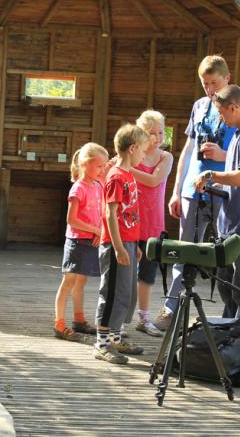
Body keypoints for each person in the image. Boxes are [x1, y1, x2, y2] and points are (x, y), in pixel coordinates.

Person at [154, 55, 240, 331]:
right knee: (183, 250)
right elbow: (189, 150)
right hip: (195, 187)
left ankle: (232, 323)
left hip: (226, 194)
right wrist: (177, 190)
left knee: (225, 260)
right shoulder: (200, 106)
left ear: (227, 79)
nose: (210, 89)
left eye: (214, 82)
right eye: (205, 84)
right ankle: (172, 310)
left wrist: (220, 155)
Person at [192, 84, 240, 340]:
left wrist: (210, 174)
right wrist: (219, 182)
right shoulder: (238, 133)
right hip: (231, 222)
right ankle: (228, 338)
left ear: (234, 107)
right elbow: (237, 174)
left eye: (223, 114)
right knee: (229, 285)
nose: (222, 121)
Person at [94, 124, 150, 364]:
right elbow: (110, 214)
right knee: (113, 293)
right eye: (143, 151)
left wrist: (133, 244)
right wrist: (117, 247)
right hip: (115, 245)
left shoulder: (129, 175)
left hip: (128, 242)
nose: (144, 156)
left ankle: (116, 338)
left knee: (126, 294)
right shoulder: (116, 177)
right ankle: (101, 344)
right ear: (133, 148)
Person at [54, 142, 110, 342]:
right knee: (68, 282)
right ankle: (59, 325)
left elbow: (101, 213)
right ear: (85, 164)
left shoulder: (97, 186)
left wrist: (98, 232)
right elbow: (72, 219)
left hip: (91, 241)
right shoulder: (78, 188)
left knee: (82, 281)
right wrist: (96, 230)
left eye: (104, 166)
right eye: (99, 166)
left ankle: (79, 321)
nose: (103, 170)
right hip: (77, 242)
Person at [130, 110, 173, 337]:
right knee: (124, 271)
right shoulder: (131, 155)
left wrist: (127, 168)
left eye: (160, 132)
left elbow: (154, 180)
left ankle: (144, 318)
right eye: (151, 133)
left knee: (147, 274)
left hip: (152, 224)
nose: (156, 137)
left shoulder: (166, 157)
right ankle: (117, 320)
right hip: (129, 222)